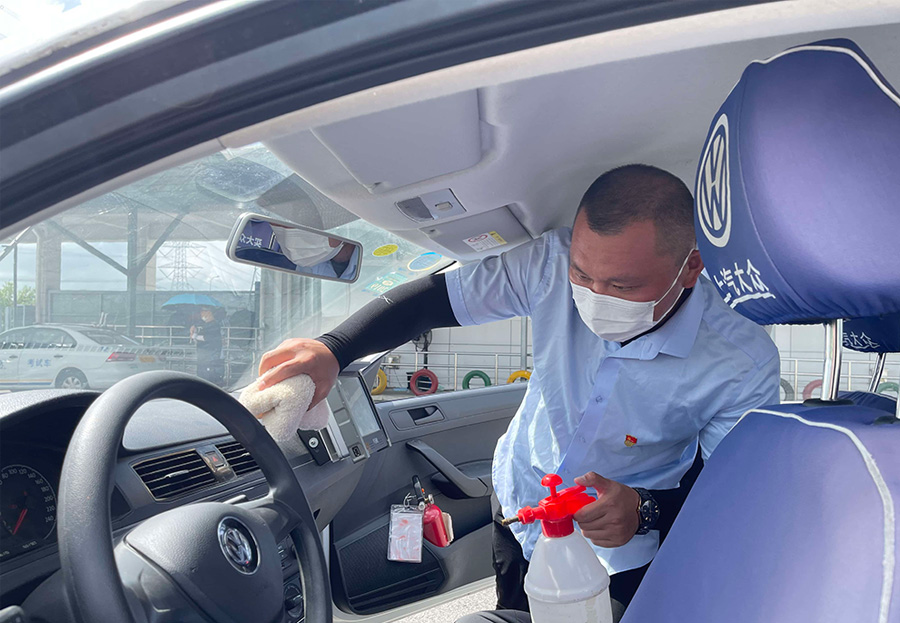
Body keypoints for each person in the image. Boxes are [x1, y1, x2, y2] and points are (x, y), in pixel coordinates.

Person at [257, 165, 780, 620]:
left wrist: (645, 509)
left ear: (690, 268)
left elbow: (730, 490)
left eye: (622, 287)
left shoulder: (740, 360)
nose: (595, 297)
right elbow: (435, 301)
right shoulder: (548, 263)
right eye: (582, 275)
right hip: (524, 502)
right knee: (514, 610)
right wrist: (334, 349)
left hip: (623, 540)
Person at [191, 307, 224, 386]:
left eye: (203, 312)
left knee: (209, 370)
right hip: (203, 351)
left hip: (211, 351)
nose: (201, 314)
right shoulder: (205, 324)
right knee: (202, 369)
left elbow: (209, 338)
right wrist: (194, 327)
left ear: (209, 313)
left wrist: (196, 337)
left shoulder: (214, 325)